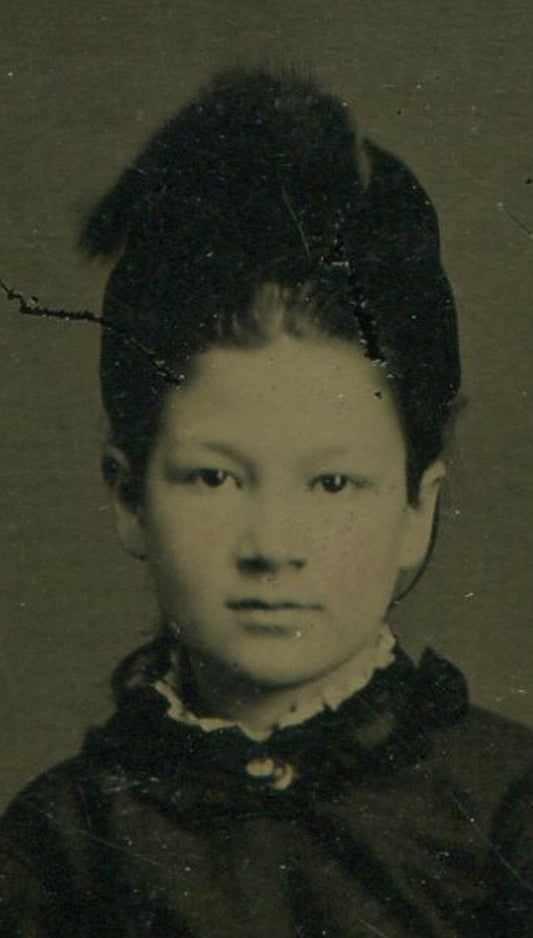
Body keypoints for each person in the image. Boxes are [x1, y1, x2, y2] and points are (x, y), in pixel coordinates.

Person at [0, 66, 531, 938]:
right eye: (212, 477)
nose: (273, 545)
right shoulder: (61, 846)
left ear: (415, 509)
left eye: (332, 484)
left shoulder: (507, 814)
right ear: (127, 495)